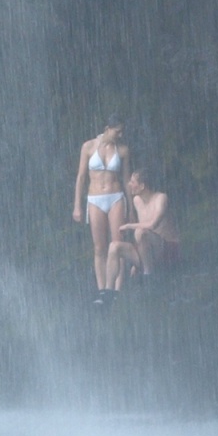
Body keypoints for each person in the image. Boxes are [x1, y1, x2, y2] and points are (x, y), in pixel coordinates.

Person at [73, 117, 130, 301]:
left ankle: (117, 290)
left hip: (116, 197)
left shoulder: (122, 150)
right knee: (99, 247)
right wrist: (77, 206)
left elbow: (127, 180)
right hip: (95, 198)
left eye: (122, 132)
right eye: (117, 131)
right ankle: (102, 290)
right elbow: (81, 177)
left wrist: (132, 209)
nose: (120, 135)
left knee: (117, 245)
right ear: (107, 128)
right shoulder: (88, 147)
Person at [104, 167, 179, 295]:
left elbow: (153, 224)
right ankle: (108, 293)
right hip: (149, 251)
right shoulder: (137, 201)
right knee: (114, 246)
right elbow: (143, 229)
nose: (129, 184)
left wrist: (128, 226)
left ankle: (149, 278)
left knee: (140, 232)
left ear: (142, 186)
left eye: (132, 182)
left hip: (167, 248)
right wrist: (135, 263)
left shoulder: (161, 198)